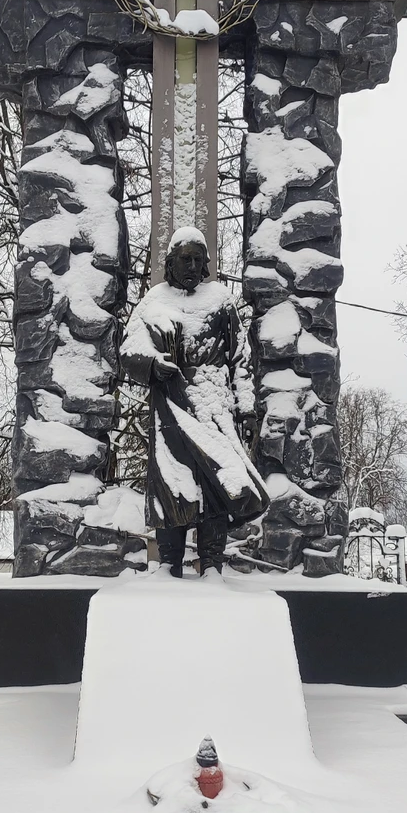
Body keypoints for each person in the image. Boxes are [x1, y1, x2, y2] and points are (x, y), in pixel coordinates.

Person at [121, 226, 268, 575]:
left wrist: (246, 409)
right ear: (170, 263)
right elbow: (129, 351)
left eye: (197, 260)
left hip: (213, 407)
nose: (191, 266)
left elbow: (240, 361)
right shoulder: (153, 302)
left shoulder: (221, 300)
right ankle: (168, 568)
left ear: (205, 265)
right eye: (184, 259)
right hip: (171, 410)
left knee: (217, 488)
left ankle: (213, 567)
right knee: (173, 488)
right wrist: (153, 365)